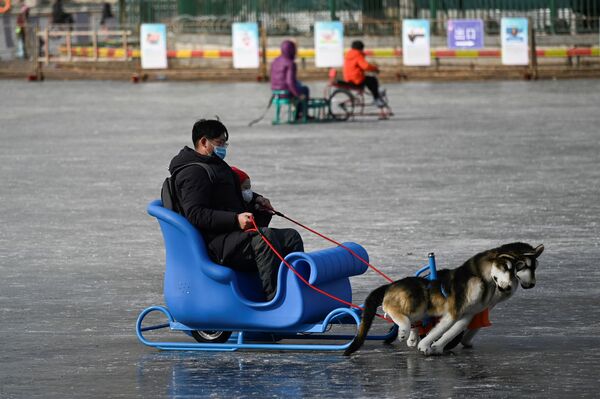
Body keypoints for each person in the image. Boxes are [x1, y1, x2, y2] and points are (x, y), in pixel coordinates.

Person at [168, 119, 304, 301]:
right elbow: (195, 214)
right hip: (216, 243)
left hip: (233, 237)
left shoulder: (216, 165)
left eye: (225, 143)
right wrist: (235, 219)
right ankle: (275, 301)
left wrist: (257, 200)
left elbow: (232, 193)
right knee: (265, 239)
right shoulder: (194, 173)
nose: (223, 147)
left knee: (291, 237)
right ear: (203, 142)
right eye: (219, 143)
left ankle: (297, 292)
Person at [270, 40, 310, 118]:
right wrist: (298, 95)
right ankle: (301, 114)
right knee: (305, 89)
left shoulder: (275, 61)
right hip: (286, 93)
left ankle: (297, 111)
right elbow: (290, 82)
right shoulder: (290, 63)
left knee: (298, 84)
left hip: (276, 93)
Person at [343, 40, 385, 107]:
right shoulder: (357, 54)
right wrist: (375, 68)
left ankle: (376, 94)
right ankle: (376, 99)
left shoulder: (349, 54)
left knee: (368, 79)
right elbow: (365, 66)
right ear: (361, 48)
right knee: (372, 80)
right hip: (356, 80)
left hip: (349, 78)